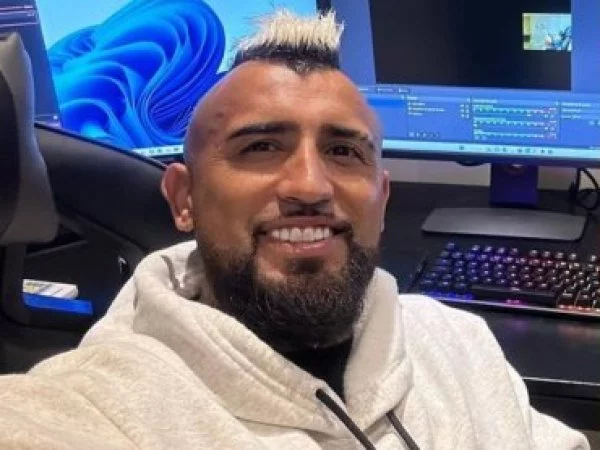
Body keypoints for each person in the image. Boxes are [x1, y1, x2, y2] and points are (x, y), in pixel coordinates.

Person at [0, 10, 590, 450]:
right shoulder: (92, 409)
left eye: (343, 150)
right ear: (183, 199)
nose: (310, 185)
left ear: (382, 198)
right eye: (260, 147)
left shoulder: (458, 343)